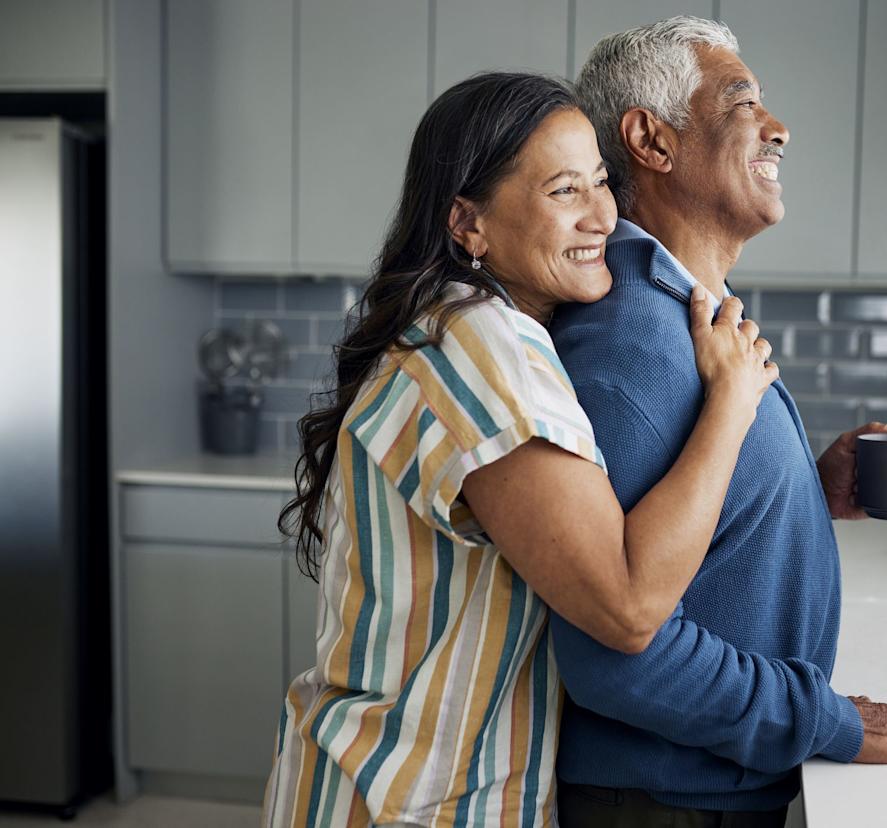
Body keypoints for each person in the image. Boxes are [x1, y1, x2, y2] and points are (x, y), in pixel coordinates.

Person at [263, 71, 778, 828]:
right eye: (564, 191)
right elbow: (628, 606)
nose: (602, 215)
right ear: (468, 224)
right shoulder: (482, 346)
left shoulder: (464, 325)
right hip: (408, 801)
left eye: (601, 182)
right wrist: (731, 403)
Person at [548, 17, 887, 827]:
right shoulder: (629, 344)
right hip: (663, 806)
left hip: (701, 791)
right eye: (741, 101)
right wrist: (830, 721)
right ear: (651, 140)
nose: (777, 128)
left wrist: (805, 492)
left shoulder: (685, 313)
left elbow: (680, 537)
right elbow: (618, 658)